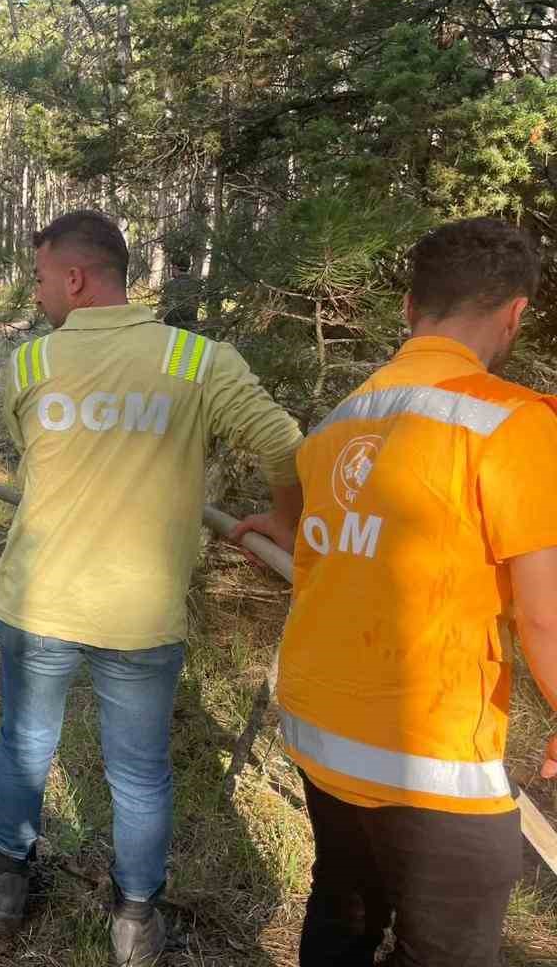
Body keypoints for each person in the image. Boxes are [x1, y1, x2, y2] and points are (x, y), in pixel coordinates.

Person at [0, 210, 303, 966]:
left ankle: (6, 881)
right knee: (139, 770)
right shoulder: (198, 362)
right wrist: (285, 524)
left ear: (76, 278)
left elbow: (33, 461)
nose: (37, 294)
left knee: (24, 744)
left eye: (39, 278)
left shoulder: (30, 366)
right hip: (141, 613)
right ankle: (134, 919)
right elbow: (287, 445)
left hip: (39, 602)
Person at [233, 218, 557, 967]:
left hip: (323, 738)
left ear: (410, 309)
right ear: (515, 314)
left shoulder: (339, 426)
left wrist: (277, 534)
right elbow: (543, 611)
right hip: (431, 764)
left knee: (343, 913)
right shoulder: (512, 425)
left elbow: (338, 552)